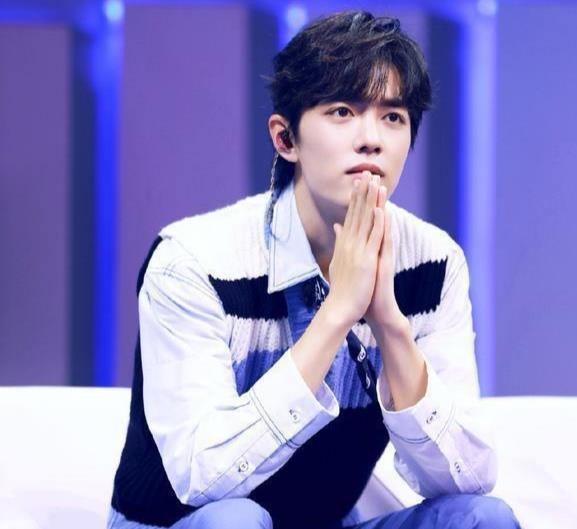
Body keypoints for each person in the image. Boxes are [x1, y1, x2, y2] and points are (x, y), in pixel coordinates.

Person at [108, 10, 521, 529]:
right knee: (235, 521)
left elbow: (468, 479)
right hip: (182, 523)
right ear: (286, 138)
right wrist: (337, 314)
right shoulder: (193, 261)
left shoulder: (434, 263)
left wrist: (390, 324)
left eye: (393, 117)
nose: (371, 138)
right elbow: (202, 479)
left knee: (482, 518)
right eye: (343, 111)